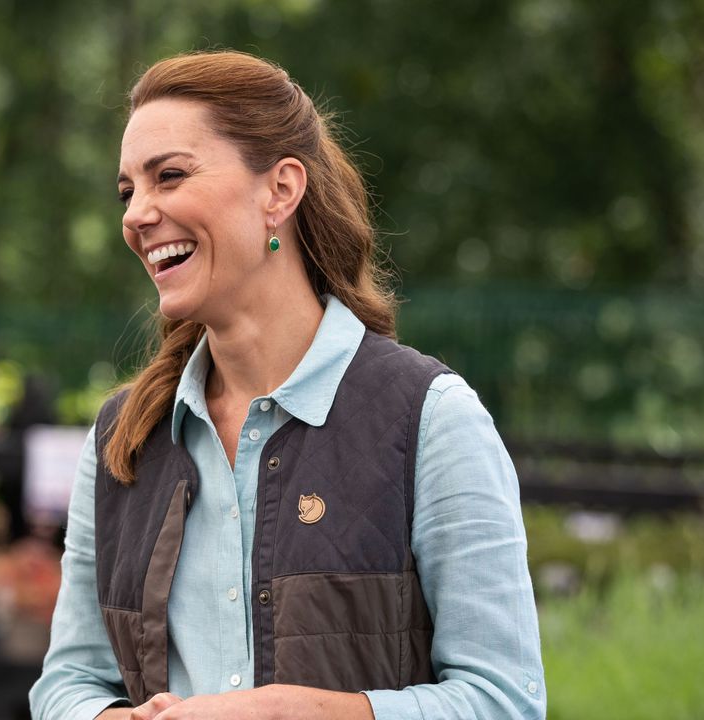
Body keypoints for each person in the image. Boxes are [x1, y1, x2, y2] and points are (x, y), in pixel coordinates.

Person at [29, 50, 545, 720]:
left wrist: (297, 714)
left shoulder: (432, 421)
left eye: (170, 176)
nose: (136, 215)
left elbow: (504, 701)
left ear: (280, 190)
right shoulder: (121, 443)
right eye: (129, 191)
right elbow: (65, 686)